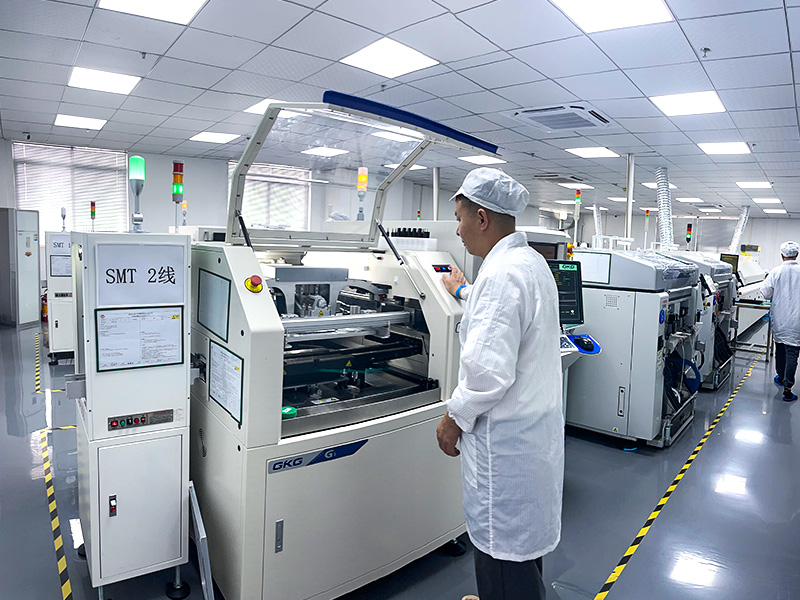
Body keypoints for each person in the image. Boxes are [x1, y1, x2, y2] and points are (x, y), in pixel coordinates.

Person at [435, 167, 564, 600]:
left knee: (502, 547)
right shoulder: (529, 263)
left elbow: (487, 374)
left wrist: (453, 419)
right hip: (531, 439)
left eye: (460, 218)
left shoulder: (502, 275)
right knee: (521, 550)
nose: (458, 229)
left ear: (482, 217)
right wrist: (462, 291)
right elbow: (499, 310)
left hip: (505, 446)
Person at [762, 241, 800, 402]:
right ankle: (788, 388)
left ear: (782, 255)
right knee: (792, 353)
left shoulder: (775, 272)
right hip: (797, 319)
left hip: (780, 318)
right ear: (797, 254)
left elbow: (765, 294)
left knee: (780, 349)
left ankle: (780, 376)